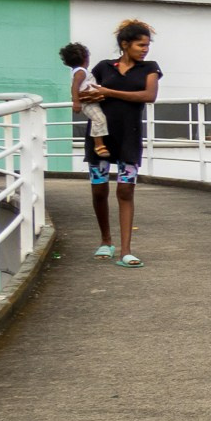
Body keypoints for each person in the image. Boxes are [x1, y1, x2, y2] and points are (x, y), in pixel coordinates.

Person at [80, 20, 160, 266]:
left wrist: (110, 92)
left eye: (147, 45)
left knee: (125, 190)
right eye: (140, 44)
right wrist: (91, 94)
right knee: (99, 188)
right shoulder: (103, 67)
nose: (145, 49)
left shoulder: (150, 68)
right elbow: (84, 92)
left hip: (129, 137)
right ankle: (106, 241)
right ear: (125, 44)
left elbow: (149, 96)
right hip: (99, 139)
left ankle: (126, 250)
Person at [59, 42, 110, 158]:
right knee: (99, 119)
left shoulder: (78, 71)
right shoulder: (81, 72)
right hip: (87, 102)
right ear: (85, 58)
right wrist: (76, 102)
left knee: (98, 119)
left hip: (91, 100)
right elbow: (75, 86)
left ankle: (99, 143)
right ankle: (99, 145)